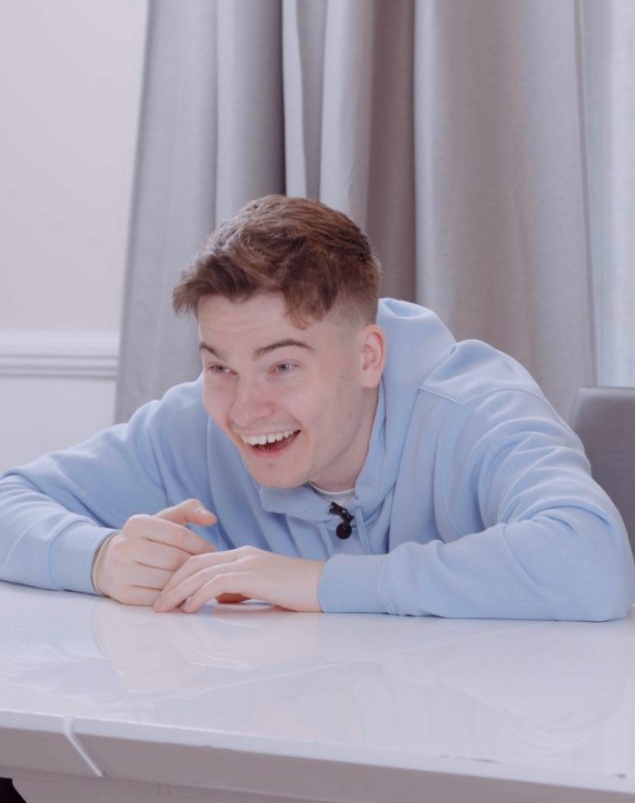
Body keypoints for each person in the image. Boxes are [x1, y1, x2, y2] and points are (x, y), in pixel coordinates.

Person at [0, 196, 633, 619]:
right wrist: (101, 558)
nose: (245, 410)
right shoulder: (193, 422)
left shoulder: (476, 409)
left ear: (368, 357)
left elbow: (592, 563)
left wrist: (314, 582)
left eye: (283, 366)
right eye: (220, 366)